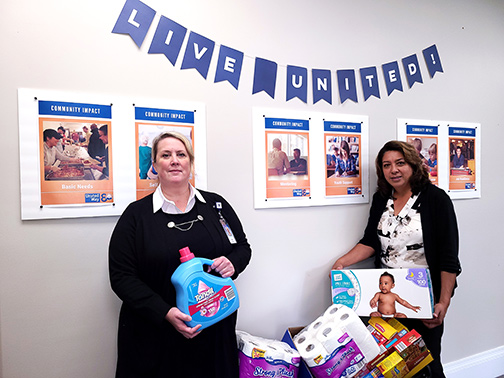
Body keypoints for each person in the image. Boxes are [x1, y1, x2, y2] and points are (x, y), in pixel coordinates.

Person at [109, 131, 252, 378]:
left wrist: (232, 263)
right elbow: (121, 277)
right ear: (154, 165)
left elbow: (242, 248)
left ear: (190, 162)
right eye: (166, 155)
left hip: (213, 331)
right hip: (155, 334)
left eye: (181, 154)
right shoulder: (136, 216)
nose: (174, 160)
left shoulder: (216, 206)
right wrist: (165, 312)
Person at [331, 140, 461, 378]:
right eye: (387, 165)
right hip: (385, 295)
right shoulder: (381, 198)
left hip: (424, 298)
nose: (394, 170)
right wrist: (342, 263)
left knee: (426, 364)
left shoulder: (436, 199)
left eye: (400, 163)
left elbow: (449, 258)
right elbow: (370, 241)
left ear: (413, 164)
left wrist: (443, 302)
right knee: (389, 363)